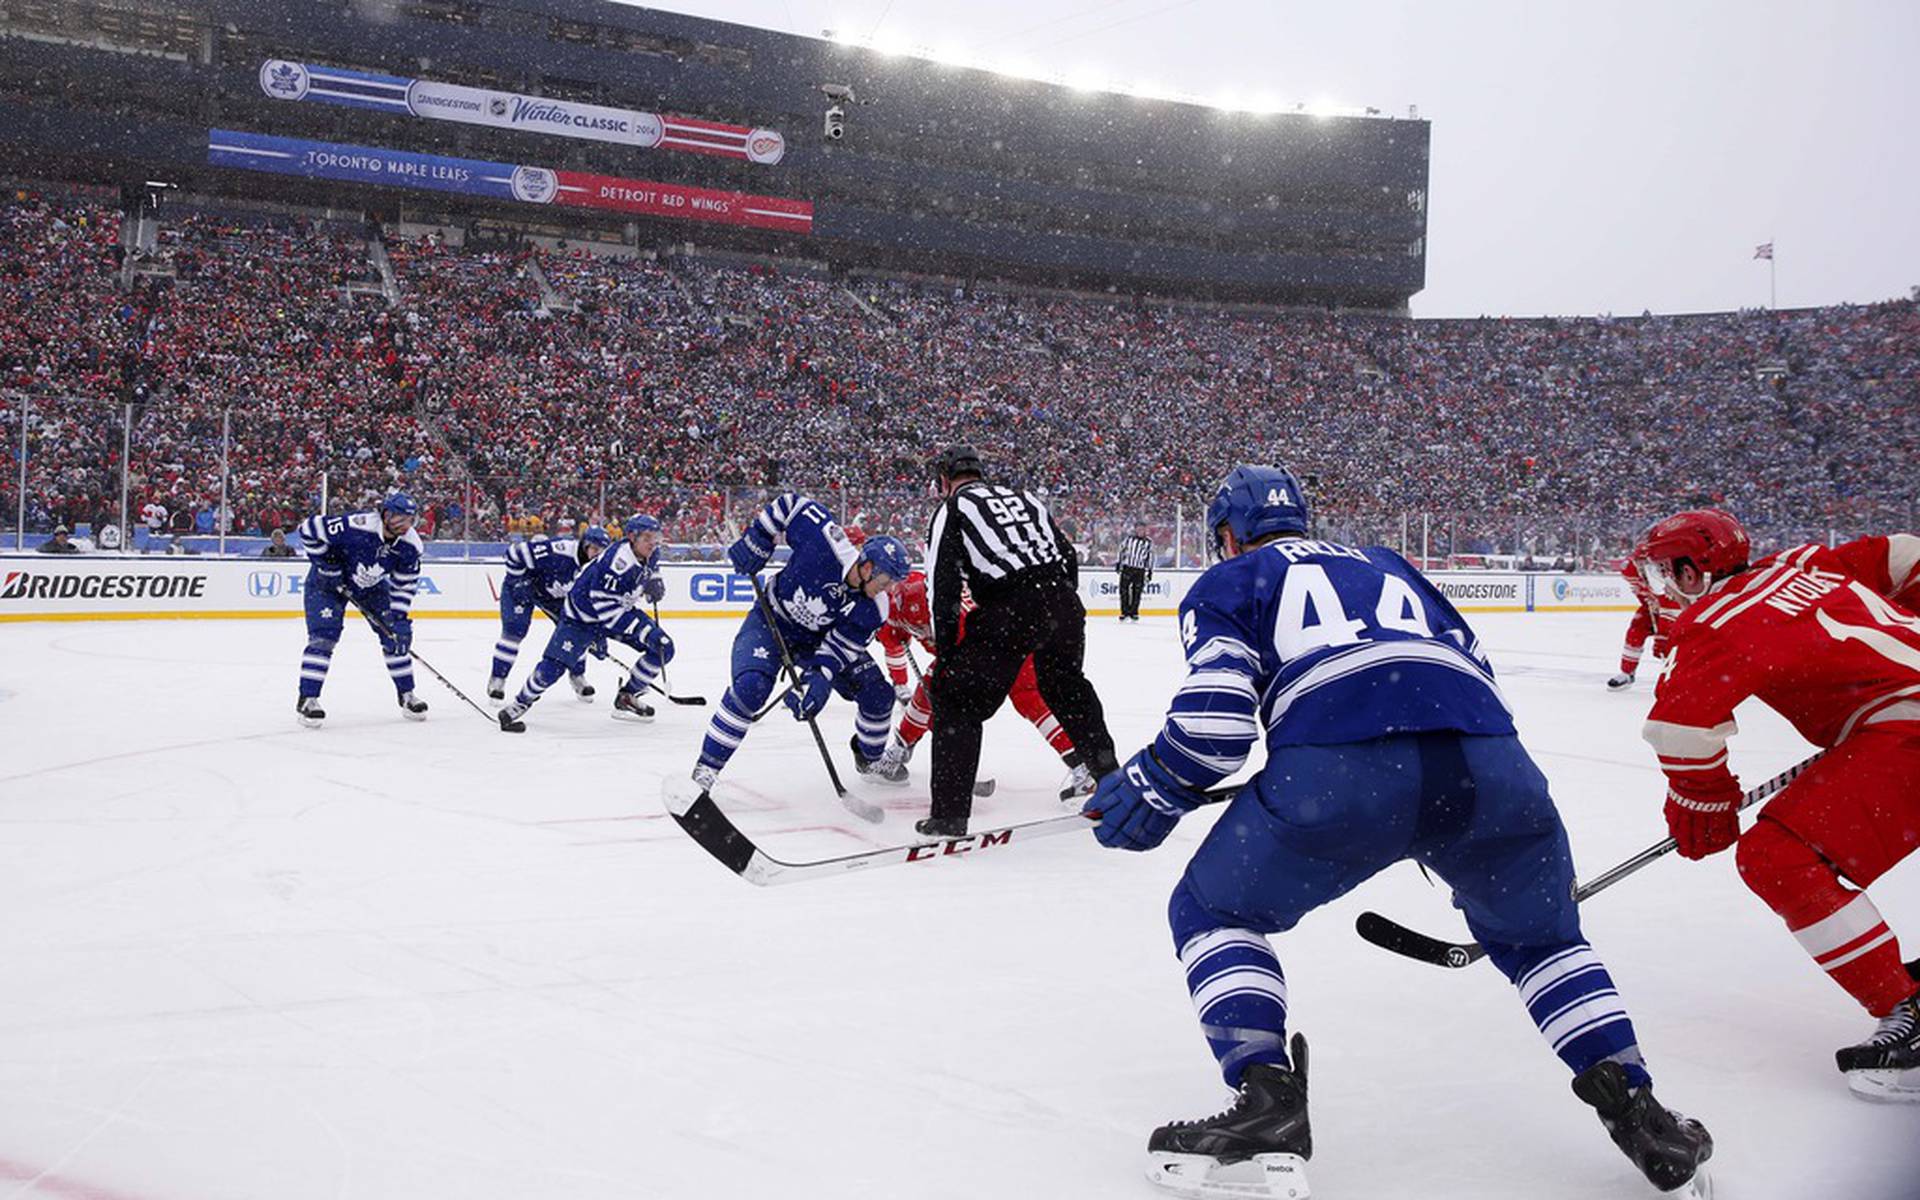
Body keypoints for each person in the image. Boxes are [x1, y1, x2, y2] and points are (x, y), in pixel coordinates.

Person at [1087, 465, 1713, 1199]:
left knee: (1211, 912)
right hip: (1492, 767)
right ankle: (1642, 1115)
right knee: (1544, 942)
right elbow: (1471, 669)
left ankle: (1267, 1104)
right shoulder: (1390, 564)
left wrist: (1153, 788)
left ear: (1227, 533)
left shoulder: (1233, 579)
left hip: (1342, 774)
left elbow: (1215, 726)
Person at [1634, 509, 1920, 1102]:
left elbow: (1681, 729)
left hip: (1908, 725)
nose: (1663, 588)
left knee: (1777, 857)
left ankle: (1907, 1016)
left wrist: (1703, 806)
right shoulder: (1808, 561)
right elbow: (1905, 554)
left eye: (1667, 573)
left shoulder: (1717, 619)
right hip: (1898, 717)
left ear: (1694, 572)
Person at [919, 446, 1117, 837]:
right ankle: (1110, 780)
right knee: (1067, 689)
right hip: (1062, 599)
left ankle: (950, 814)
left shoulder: (953, 508)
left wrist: (946, 652)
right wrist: (1057, 607)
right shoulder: (1025, 498)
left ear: (944, 481)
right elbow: (1066, 555)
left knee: (956, 697)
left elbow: (940, 584)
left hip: (1010, 604)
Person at [688, 493, 909, 797]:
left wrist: (817, 680)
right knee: (751, 688)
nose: (889, 589)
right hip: (771, 621)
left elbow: (837, 650)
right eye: (886, 580)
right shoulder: (826, 543)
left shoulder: (874, 607)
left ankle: (870, 760)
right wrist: (758, 539)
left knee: (879, 695)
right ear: (867, 566)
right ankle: (705, 770)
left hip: (814, 643)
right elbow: (789, 504)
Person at [871, 570, 1096, 802]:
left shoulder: (957, 610)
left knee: (1027, 697)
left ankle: (1082, 764)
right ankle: (900, 749)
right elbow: (892, 639)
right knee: (931, 688)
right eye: (920, 627)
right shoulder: (900, 604)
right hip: (988, 640)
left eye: (927, 625)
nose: (926, 633)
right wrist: (895, 647)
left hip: (1009, 639)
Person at [498, 516, 671, 732]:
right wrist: (637, 632)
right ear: (631, 537)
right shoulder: (615, 565)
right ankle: (520, 703)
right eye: (648, 537)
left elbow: (651, 565)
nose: (653, 543)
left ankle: (627, 697)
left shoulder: (648, 551)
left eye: (656, 537)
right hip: (581, 618)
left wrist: (654, 579)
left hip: (616, 610)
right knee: (552, 668)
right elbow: (607, 613)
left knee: (663, 647)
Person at [293, 493, 427, 726]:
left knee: (393, 637)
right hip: (326, 585)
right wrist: (325, 564)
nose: (405, 525)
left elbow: (404, 586)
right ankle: (308, 699)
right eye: (399, 519)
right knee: (323, 638)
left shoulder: (411, 546)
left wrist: (400, 618)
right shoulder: (356, 526)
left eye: (410, 520)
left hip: (371, 588)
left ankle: (406, 695)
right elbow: (308, 529)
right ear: (385, 514)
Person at [487, 526, 613, 703]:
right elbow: (513, 553)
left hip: (553, 597)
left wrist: (596, 634)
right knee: (514, 632)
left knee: (576, 632)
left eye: (602, 551)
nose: (597, 554)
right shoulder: (559, 551)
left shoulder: (599, 569)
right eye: (594, 548)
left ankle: (577, 676)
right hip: (521, 588)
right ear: (584, 544)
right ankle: (497, 680)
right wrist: (518, 581)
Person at [1608, 557, 1683, 690]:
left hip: (1674, 610)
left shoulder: (1669, 574)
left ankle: (1676, 675)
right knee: (1636, 630)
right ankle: (1627, 673)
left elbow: (1671, 609)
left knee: (1669, 644)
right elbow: (1643, 595)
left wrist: (1660, 639)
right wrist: (1650, 603)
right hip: (1653, 608)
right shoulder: (1632, 570)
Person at [1117, 526, 1154, 621]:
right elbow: (1121, 550)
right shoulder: (1129, 539)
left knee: (1137, 591)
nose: (1140, 531)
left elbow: (1150, 557)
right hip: (1127, 567)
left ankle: (1134, 612)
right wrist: (1119, 563)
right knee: (1123, 590)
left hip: (1139, 569)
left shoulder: (1148, 543)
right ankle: (1124, 612)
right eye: (1139, 529)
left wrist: (1149, 571)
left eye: (1142, 530)